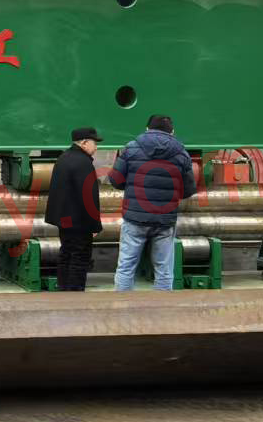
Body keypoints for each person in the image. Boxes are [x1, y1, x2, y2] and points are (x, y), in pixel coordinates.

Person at [107, 114, 196, 291]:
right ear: (172, 132)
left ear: (147, 129)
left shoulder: (131, 148)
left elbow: (115, 180)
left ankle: (122, 305)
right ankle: (162, 306)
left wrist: (132, 186)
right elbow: (188, 190)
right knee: (164, 269)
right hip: (165, 219)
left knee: (126, 266)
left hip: (135, 218)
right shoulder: (181, 153)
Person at [42, 127, 103, 291]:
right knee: (79, 258)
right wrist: (95, 225)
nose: (96, 147)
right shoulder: (83, 163)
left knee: (66, 254)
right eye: (94, 143)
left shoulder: (64, 158)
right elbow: (88, 197)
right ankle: (75, 294)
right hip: (79, 222)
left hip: (64, 219)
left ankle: (64, 290)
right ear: (84, 143)